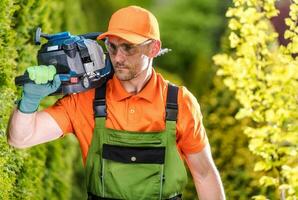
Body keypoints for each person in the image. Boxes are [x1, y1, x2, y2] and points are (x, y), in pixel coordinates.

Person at [8, 5, 225, 200]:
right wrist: (29, 101)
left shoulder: (179, 103)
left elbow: (204, 174)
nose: (118, 57)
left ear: (153, 49)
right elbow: (20, 138)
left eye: (128, 47)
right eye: (112, 47)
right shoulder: (86, 100)